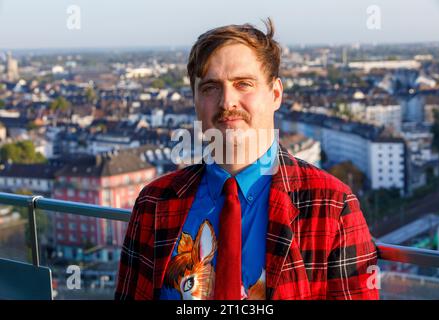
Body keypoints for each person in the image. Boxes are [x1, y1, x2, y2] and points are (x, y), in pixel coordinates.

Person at [115, 18, 379, 300]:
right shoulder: (155, 203)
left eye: (243, 84)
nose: (227, 101)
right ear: (194, 100)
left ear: (275, 94)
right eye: (210, 88)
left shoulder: (331, 207)